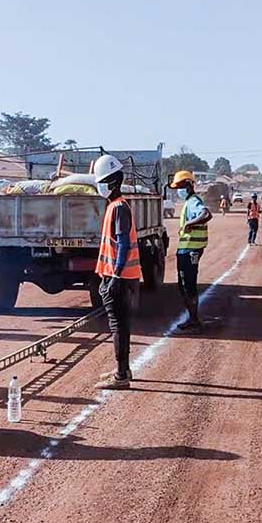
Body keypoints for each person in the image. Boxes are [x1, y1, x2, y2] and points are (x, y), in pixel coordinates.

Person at [93, 154, 141, 389]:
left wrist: (115, 275)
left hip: (119, 278)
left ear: (112, 182)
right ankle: (123, 370)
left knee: (118, 326)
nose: (99, 186)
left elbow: (123, 243)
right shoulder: (115, 206)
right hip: (120, 277)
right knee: (120, 324)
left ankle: (121, 376)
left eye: (102, 181)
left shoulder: (119, 208)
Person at [171, 171, 213, 331]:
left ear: (189, 185)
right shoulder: (189, 202)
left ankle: (193, 319)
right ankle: (192, 317)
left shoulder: (194, 201)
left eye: (180, 187)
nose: (178, 190)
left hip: (191, 250)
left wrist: (190, 223)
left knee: (188, 285)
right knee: (184, 285)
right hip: (187, 250)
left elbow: (206, 214)